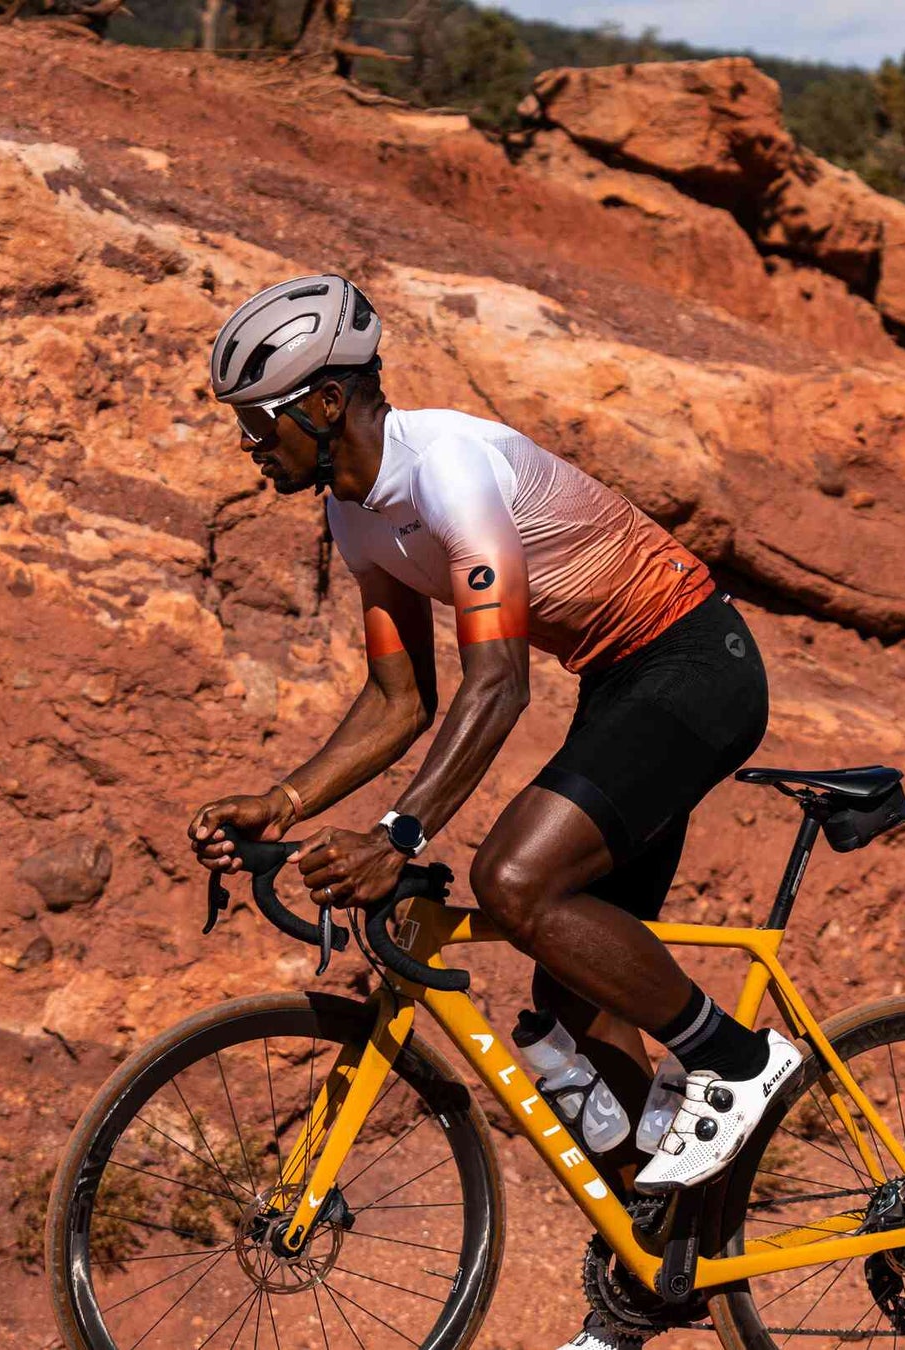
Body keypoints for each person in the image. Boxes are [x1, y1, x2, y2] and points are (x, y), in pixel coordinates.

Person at [186, 275, 795, 1350]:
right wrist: (277, 801)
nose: (247, 446)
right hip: (624, 687)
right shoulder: (353, 511)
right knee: (570, 1026)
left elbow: (498, 683)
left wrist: (398, 836)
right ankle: (658, 1282)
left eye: (256, 421)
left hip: (697, 666)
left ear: (324, 405)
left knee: (511, 880)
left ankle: (737, 1063)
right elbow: (398, 702)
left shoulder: (450, 470)